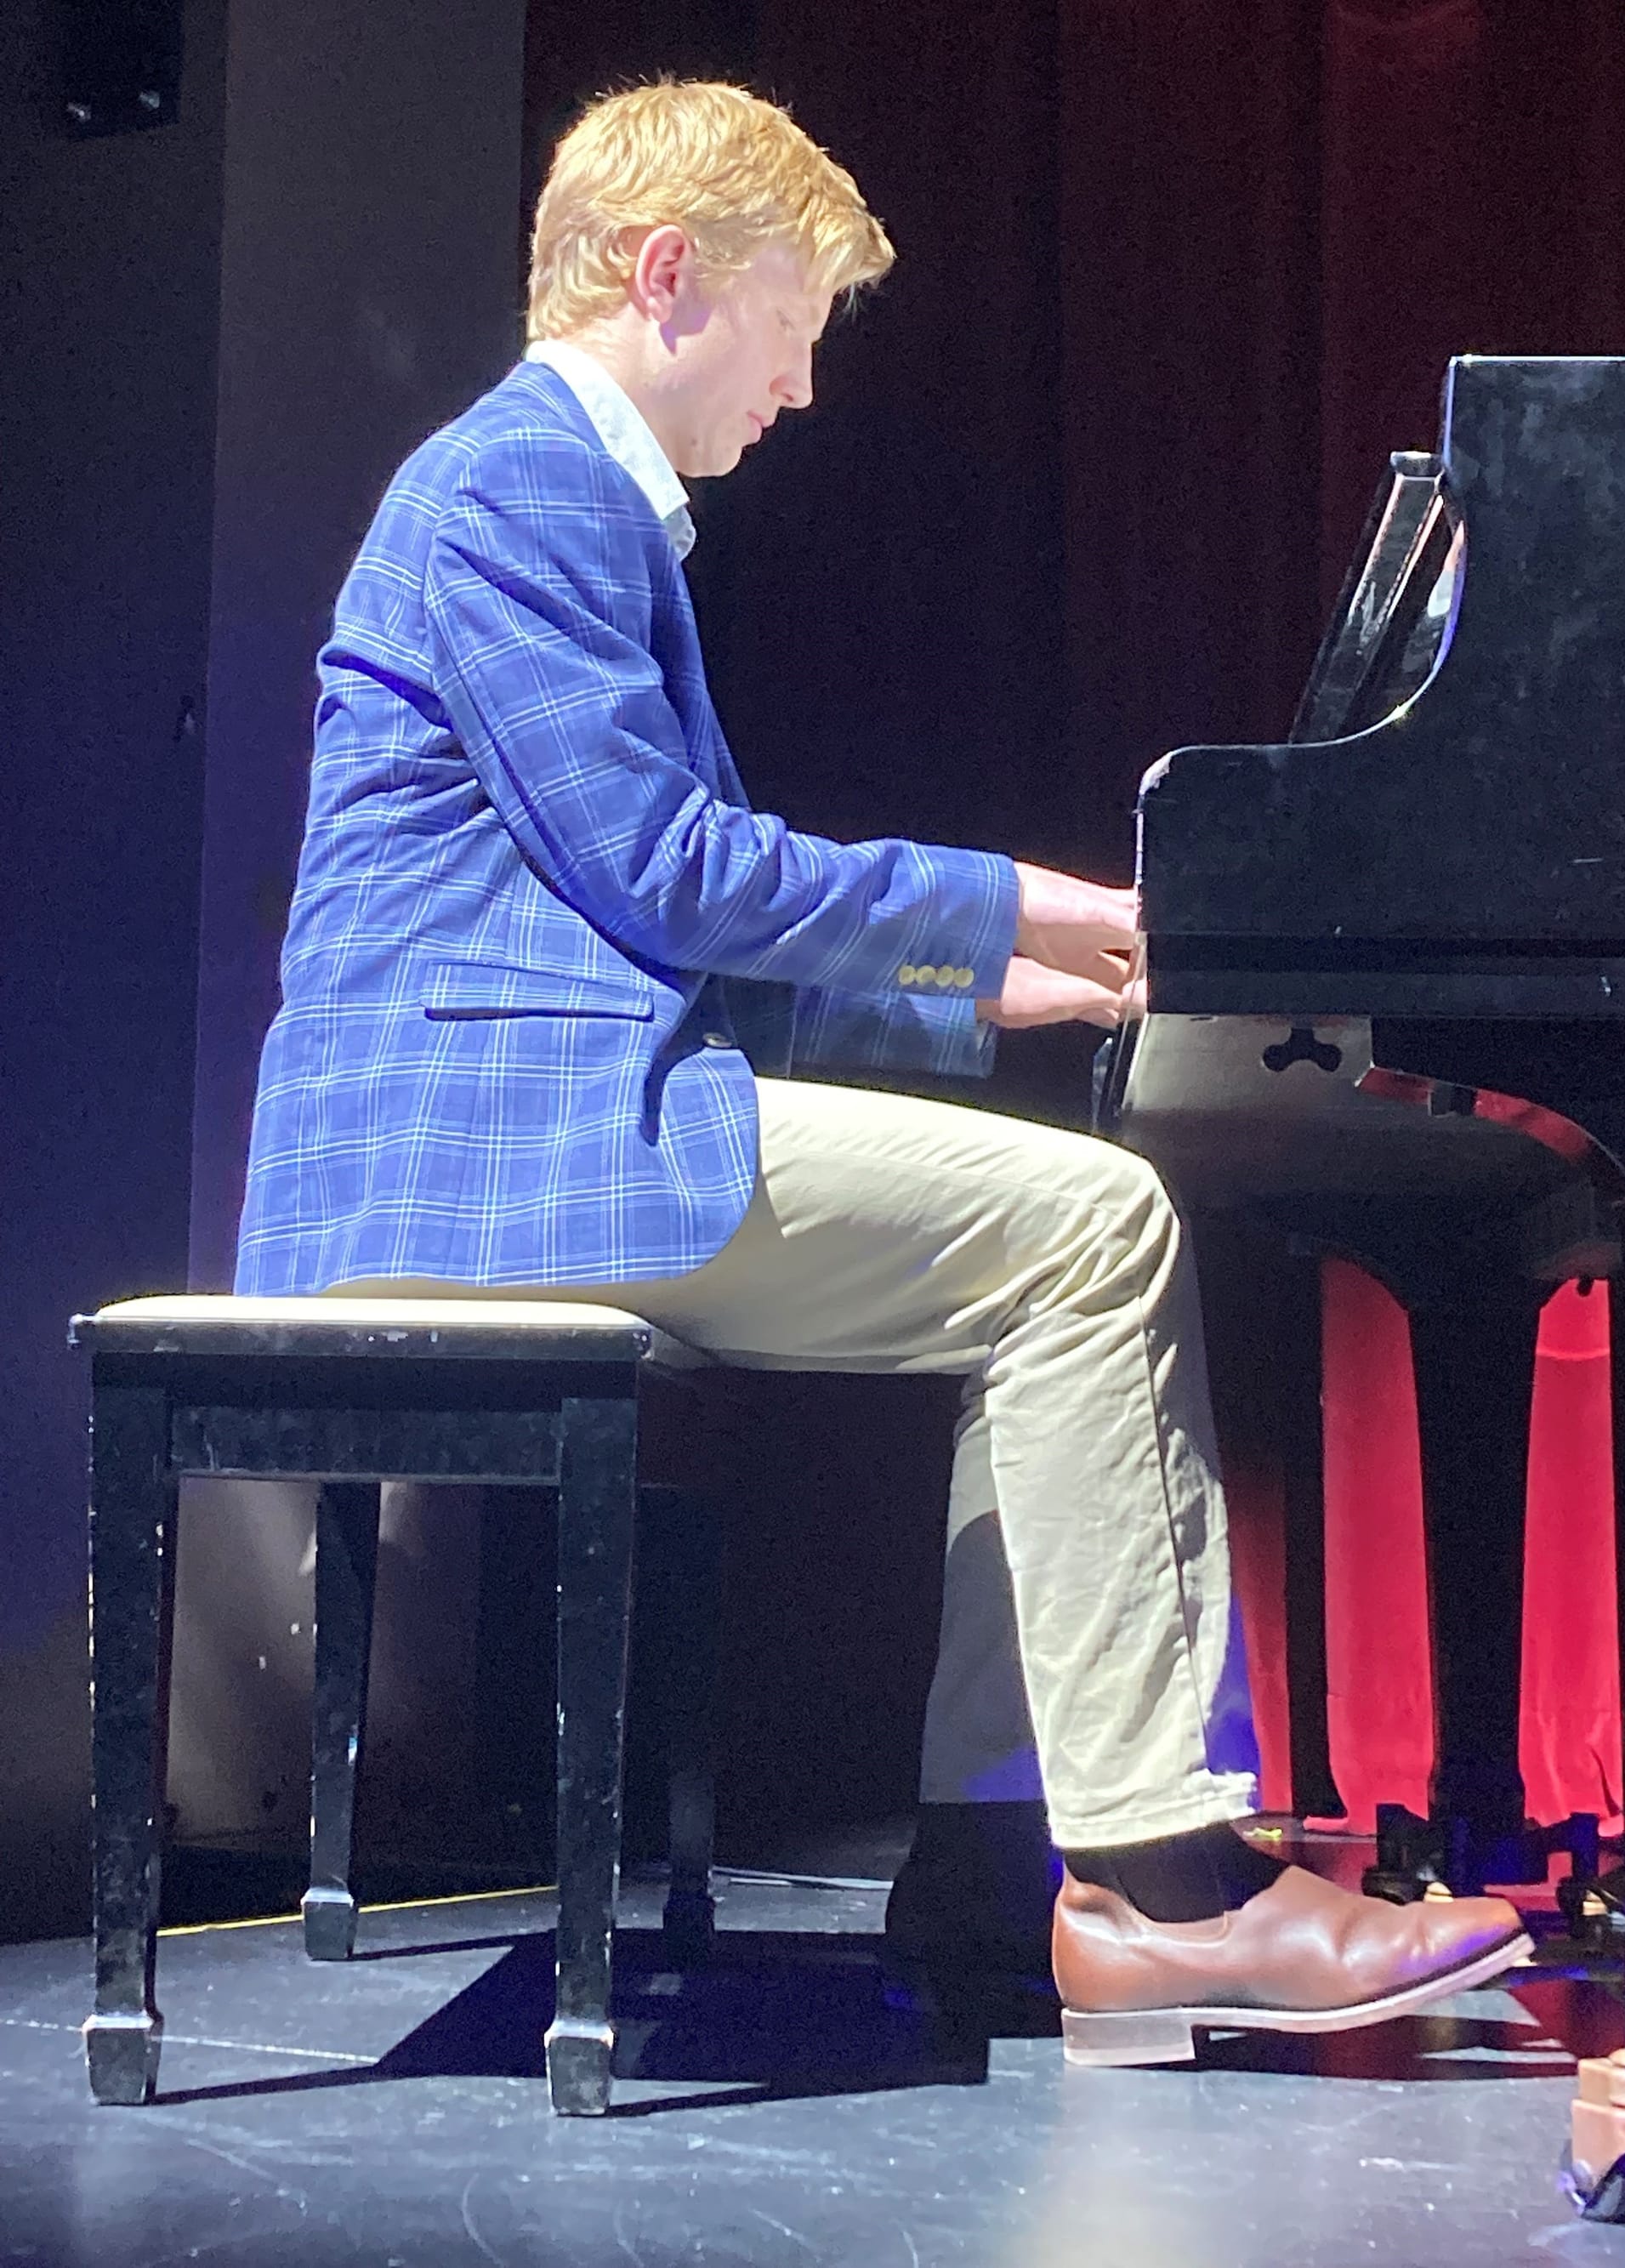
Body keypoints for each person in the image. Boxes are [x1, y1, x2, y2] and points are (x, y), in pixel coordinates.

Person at [236, 78, 1531, 2064]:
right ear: (669, 275)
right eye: (793, 324)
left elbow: (652, 930)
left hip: (541, 1112)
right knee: (1091, 1230)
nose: (804, 384)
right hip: (492, 1149)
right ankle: (1165, 1886)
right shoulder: (519, 486)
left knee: (1041, 1270)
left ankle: (1006, 1876)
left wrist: (990, 991)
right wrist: (1005, 897)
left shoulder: (548, 495)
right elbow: (668, 870)